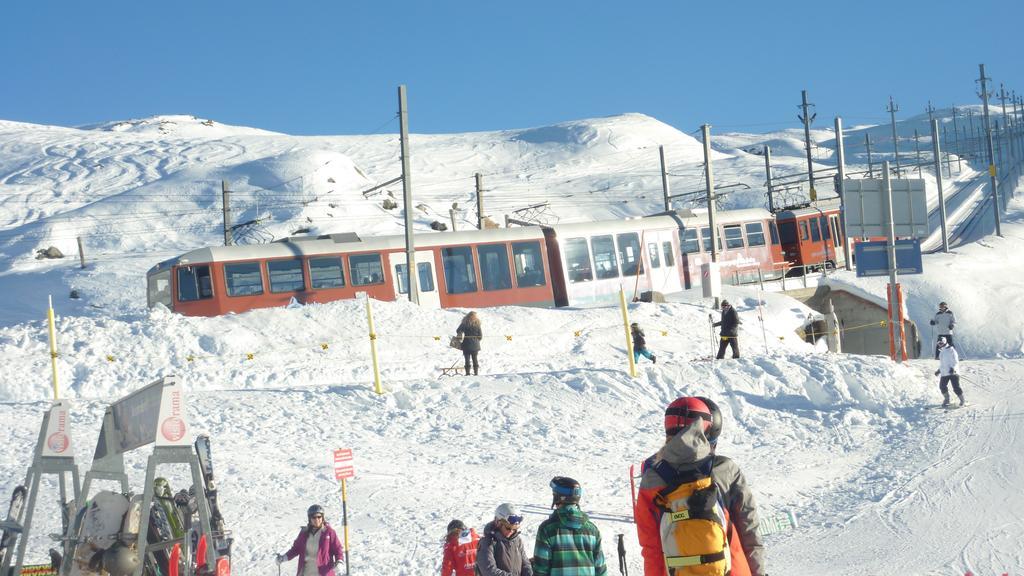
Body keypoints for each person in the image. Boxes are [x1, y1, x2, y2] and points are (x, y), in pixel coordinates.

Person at [634, 397, 765, 576]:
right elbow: (750, 533)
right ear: (705, 428)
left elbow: (651, 549)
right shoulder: (725, 470)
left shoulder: (651, 478)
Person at [532, 477, 607, 576]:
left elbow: (541, 570)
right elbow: (600, 569)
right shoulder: (592, 530)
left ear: (558, 498)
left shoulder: (547, 529)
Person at [276, 504, 344, 576]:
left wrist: (339, 561)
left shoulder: (329, 532)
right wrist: (284, 558)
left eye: (319, 517)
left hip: (324, 572)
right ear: (310, 518)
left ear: (322, 517)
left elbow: (337, 549)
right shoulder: (304, 533)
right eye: (314, 517)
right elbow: (296, 549)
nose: (317, 519)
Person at [476, 503, 532, 576]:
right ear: (497, 522)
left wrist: (528, 573)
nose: (511, 531)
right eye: (508, 528)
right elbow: (489, 571)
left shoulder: (517, 540)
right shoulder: (487, 543)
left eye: (515, 529)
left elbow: (525, 563)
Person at [934, 337, 964, 407]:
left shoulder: (951, 350)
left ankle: (962, 400)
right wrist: (939, 370)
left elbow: (956, 361)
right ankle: (947, 399)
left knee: (956, 387)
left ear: (944, 342)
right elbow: (943, 364)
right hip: (945, 373)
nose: (939, 345)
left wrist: (953, 368)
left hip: (953, 372)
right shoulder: (941, 352)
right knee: (942, 386)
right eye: (938, 343)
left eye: (941, 343)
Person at [456, 311, 483, 376]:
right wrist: (476, 340)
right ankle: (476, 373)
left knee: (467, 359)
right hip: (475, 345)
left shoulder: (465, 323)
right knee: (475, 359)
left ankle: (467, 373)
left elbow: (458, 330)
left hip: (466, 344)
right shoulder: (477, 324)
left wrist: (460, 336)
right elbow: (480, 336)